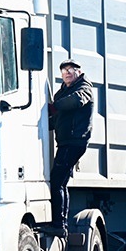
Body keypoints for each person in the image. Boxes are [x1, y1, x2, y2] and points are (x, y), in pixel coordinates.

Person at [46, 59, 94, 238]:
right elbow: (57, 118)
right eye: (63, 70)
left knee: (57, 180)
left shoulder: (84, 88)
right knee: (61, 181)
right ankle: (60, 223)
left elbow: (76, 101)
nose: (66, 73)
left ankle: (59, 224)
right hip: (66, 141)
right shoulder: (63, 91)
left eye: (70, 70)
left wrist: (54, 106)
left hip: (75, 141)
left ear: (78, 72)